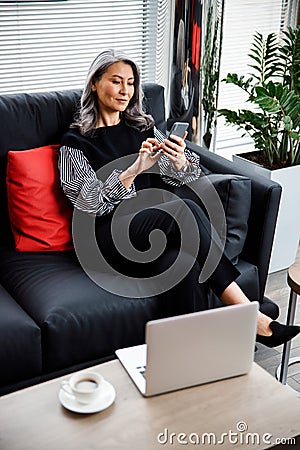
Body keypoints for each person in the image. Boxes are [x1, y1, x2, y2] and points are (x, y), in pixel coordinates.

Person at [59, 49, 299, 348]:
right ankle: (249, 312)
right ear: (94, 83)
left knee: (181, 263)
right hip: (108, 237)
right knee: (182, 208)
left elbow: (191, 176)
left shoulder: (142, 127)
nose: (125, 91)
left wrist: (179, 162)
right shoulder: (75, 142)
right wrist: (133, 171)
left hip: (157, 229)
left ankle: (188, 360)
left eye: (131, 83)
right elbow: (87, 204)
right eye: (116, 81)